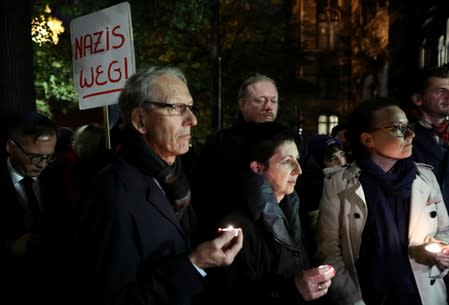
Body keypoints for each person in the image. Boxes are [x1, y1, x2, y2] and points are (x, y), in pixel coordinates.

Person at [72, 66, 243, 305]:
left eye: (190, 107)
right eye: (176, 108)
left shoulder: (179, 178)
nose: (192, 120)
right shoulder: (112, 192)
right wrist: (194, 264)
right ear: (140, 120)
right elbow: (114, 297)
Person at [315, 97, 449, 305]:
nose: (410, 135)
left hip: (421, 294)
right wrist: (352, 299)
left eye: (409, 127)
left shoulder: (425, 178)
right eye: (397, 128)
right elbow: (330, 251)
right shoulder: (340, 184)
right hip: (369, 295)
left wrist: (442, 251)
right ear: (368, 140)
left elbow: (445, 230)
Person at [204, 122, 335, 305]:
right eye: (287, 161)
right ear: (258, 168)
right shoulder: (237, 225)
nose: (299, 170)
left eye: (297, 159)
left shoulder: (296, 211)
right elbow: (229, 295)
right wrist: (290, 291)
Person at [193, 73, 301, 240]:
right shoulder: (221, 143)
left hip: (283, 232)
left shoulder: (291, 140)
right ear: (242, 104)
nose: (268, 107)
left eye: (273, 100)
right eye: (260, 100)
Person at [0, 112, 60, 304]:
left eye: (48, 156)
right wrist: (9, 247)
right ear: (10, 147)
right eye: (34, 157)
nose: (42, 164)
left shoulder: (56, 177)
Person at [410, 65, 449, 211]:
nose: (448, 96)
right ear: (418, 99)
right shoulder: (406, 138)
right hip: (425, 221)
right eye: (441, 91)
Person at [297, 134, 347, 241]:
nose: (341, 162)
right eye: (332, 158)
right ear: (319, 162)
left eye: (341, 154)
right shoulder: (314, 190)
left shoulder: (350, 179)